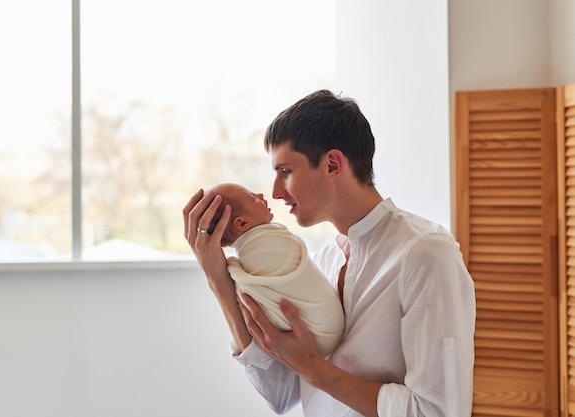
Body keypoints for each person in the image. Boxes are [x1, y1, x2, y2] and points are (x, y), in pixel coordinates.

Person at [183, 90, 476, 417]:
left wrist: (315, 369)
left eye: (285, 172)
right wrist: (219, 280)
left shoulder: (426, 255)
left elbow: (437, 412)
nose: (276, 192)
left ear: (333, 164)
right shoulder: (318, 263)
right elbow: (281, 395)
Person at [205, 182, 345, 357]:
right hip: (322, 330)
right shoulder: (262, 252)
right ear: (242, 223)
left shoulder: (254, 254)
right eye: (252, 198)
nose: (262, 196)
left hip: (319, 337)